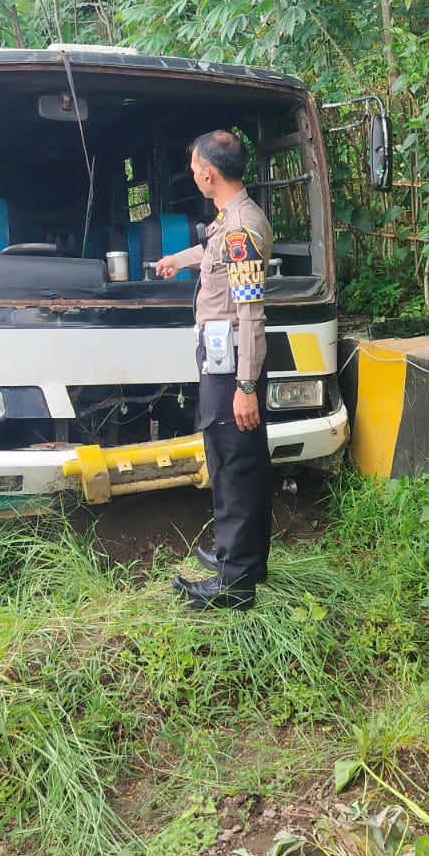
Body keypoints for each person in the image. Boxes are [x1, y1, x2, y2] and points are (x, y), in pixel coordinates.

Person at [155, 131, 273, 611]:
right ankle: (244, 559)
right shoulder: (233, 222)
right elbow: (213, 258)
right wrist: (177, 261)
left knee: (232, 465)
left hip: (233, 369)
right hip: (227, 362)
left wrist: (245, 386)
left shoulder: (241, 229)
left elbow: (251, 313)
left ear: (209, 172)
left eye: (194, 167)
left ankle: (234, 583)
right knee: (240, 461)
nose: (193, 174)